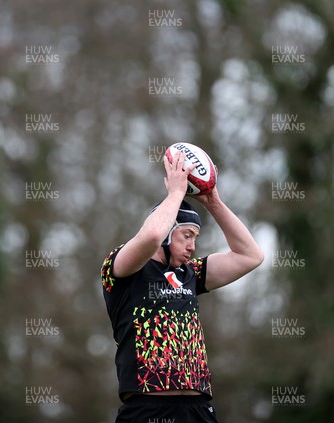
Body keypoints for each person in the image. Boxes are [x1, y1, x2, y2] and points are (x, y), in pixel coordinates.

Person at [101, 151, 264, 422]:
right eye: (187, 235)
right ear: (167, 234)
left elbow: (251, 256)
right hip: (147, 410)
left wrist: (213, 202)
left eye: (196, 238)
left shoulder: (190, 273)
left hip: (198, 409)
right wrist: (175, 193)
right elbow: (151, 235)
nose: (192, 246)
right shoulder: (122, 268)